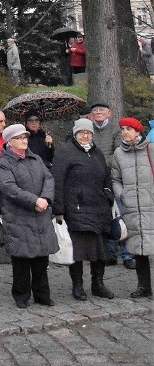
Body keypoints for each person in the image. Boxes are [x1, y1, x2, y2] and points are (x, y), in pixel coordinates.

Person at [52, 118, 114, 301]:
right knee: (77, 251)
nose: (85, 136)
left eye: (88, 133)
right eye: (82, 133)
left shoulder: (98, 154)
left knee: (100, 251)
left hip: (98, 209)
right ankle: (77, 286)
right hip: (76, 209)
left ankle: (98, 284)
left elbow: (107, 176)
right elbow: (57, 181)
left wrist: (108, 194)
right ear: (75, 134)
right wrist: (59, 209)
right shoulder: (65, 152)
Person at [0, 123, 57, 309]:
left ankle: (42, 294)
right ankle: (21, 295)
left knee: (41, 257)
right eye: (19, 138)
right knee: (22, 258)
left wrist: (45, 198)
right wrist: (34, 201)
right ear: (9, 142)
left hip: (40, 214)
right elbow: (10, 188)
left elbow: (48, 178)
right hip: (19, 216)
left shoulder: (36, 158)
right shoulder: (5, 163)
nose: (24, 140)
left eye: (25, 137)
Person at [110, 118, 153, 299]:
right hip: (132, 207)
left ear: (138, 131)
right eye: (123, 129)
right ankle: (144, 287)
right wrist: (122, 195)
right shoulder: (119, 153)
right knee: (139, 249)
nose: (125, 132)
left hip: (151, 205)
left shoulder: (151, 149)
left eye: (129, 129)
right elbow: (115, 179)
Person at [86, 100, 132, 267]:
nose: (98, 112)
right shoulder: (88, 131)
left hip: (113, 178)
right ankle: (110, 254)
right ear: (90, 115)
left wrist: (99, 164)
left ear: (109, 113)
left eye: (102, 110)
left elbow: (118, 152)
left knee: (120, 215)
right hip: (95, 180)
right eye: (95, 110)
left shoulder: (115, 130)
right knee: (104, 216)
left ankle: (127, 255)